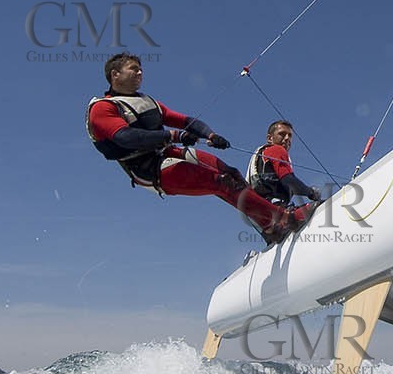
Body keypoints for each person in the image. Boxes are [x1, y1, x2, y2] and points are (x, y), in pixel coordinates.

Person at [85, 53, 308, 245]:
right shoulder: (102, 108)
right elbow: (126, 137)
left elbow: (185, 121)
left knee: (231, 174)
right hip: (149, 169)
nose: (140, 73)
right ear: (115, 74)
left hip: (167, 153)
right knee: (220, 182)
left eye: (141, 69)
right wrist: (173, 136)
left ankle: (269, 227)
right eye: (134, 69)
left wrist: (210, 135)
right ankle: (283, 218)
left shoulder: (146, 101)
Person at [247, 120, 323, 208]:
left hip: (257, 207)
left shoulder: (262, 153)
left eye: (290, 135)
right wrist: (311, 192)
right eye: (282, 134)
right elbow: (288, 181)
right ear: (270, 138)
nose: (287, 138)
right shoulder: (276, 150)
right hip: (275, 206)